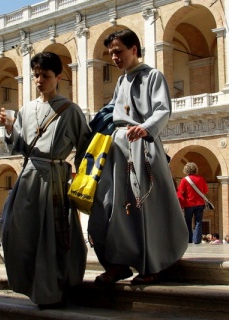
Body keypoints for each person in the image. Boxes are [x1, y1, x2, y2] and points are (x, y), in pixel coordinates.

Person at [88, 29, 188, 286]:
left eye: (118, 51)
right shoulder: (121, 81)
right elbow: (113, 113)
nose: (114, 57)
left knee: (145, 209)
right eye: (110, 53)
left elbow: (163, 109)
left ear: (134, 49)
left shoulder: (153, 75)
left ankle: (152, 263)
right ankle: (118, 263)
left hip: (143, 147)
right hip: (118, 150)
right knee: (113, 208)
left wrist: (146, 128)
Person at [0, 51, 90, 307]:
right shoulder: (26, 109)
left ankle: (53, 290)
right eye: (36, 75)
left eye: (45, 75)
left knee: (52, 237)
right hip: (29, 178)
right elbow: (17, 147)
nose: (39, 80)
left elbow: (85, 147)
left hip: (55, 180)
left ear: (58, 77)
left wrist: (84, 181)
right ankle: (30, 284)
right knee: (19, 233)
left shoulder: (71, 110)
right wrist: (8, 128)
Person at [177, 162, 209, 244]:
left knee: (188, 222)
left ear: (186, 170)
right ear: (195, 169)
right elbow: (205, 190)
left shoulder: (184, 180)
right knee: (198, 222)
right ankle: (197, 240)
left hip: (189, 204)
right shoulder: (201, 179)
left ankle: (189, 240)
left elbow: (180, 192)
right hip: (200, 203)